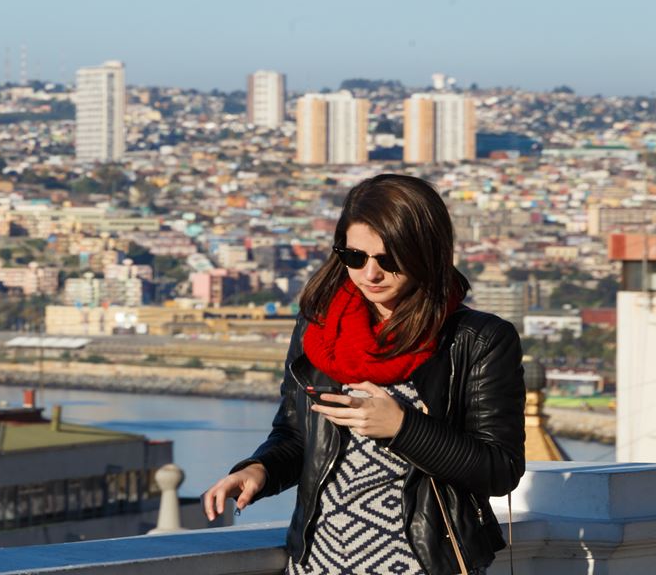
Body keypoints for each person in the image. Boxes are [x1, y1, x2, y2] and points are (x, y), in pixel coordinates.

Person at [203, 174, 524, 575]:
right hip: (318, 563)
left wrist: (403, 427)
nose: (369, 274)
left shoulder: (477, 340)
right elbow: (297, 434)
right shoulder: (320, 329)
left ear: (427, 253)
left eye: (388, 260)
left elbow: (500, 468)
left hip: (424, 565)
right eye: (355, 257)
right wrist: (259, 470)